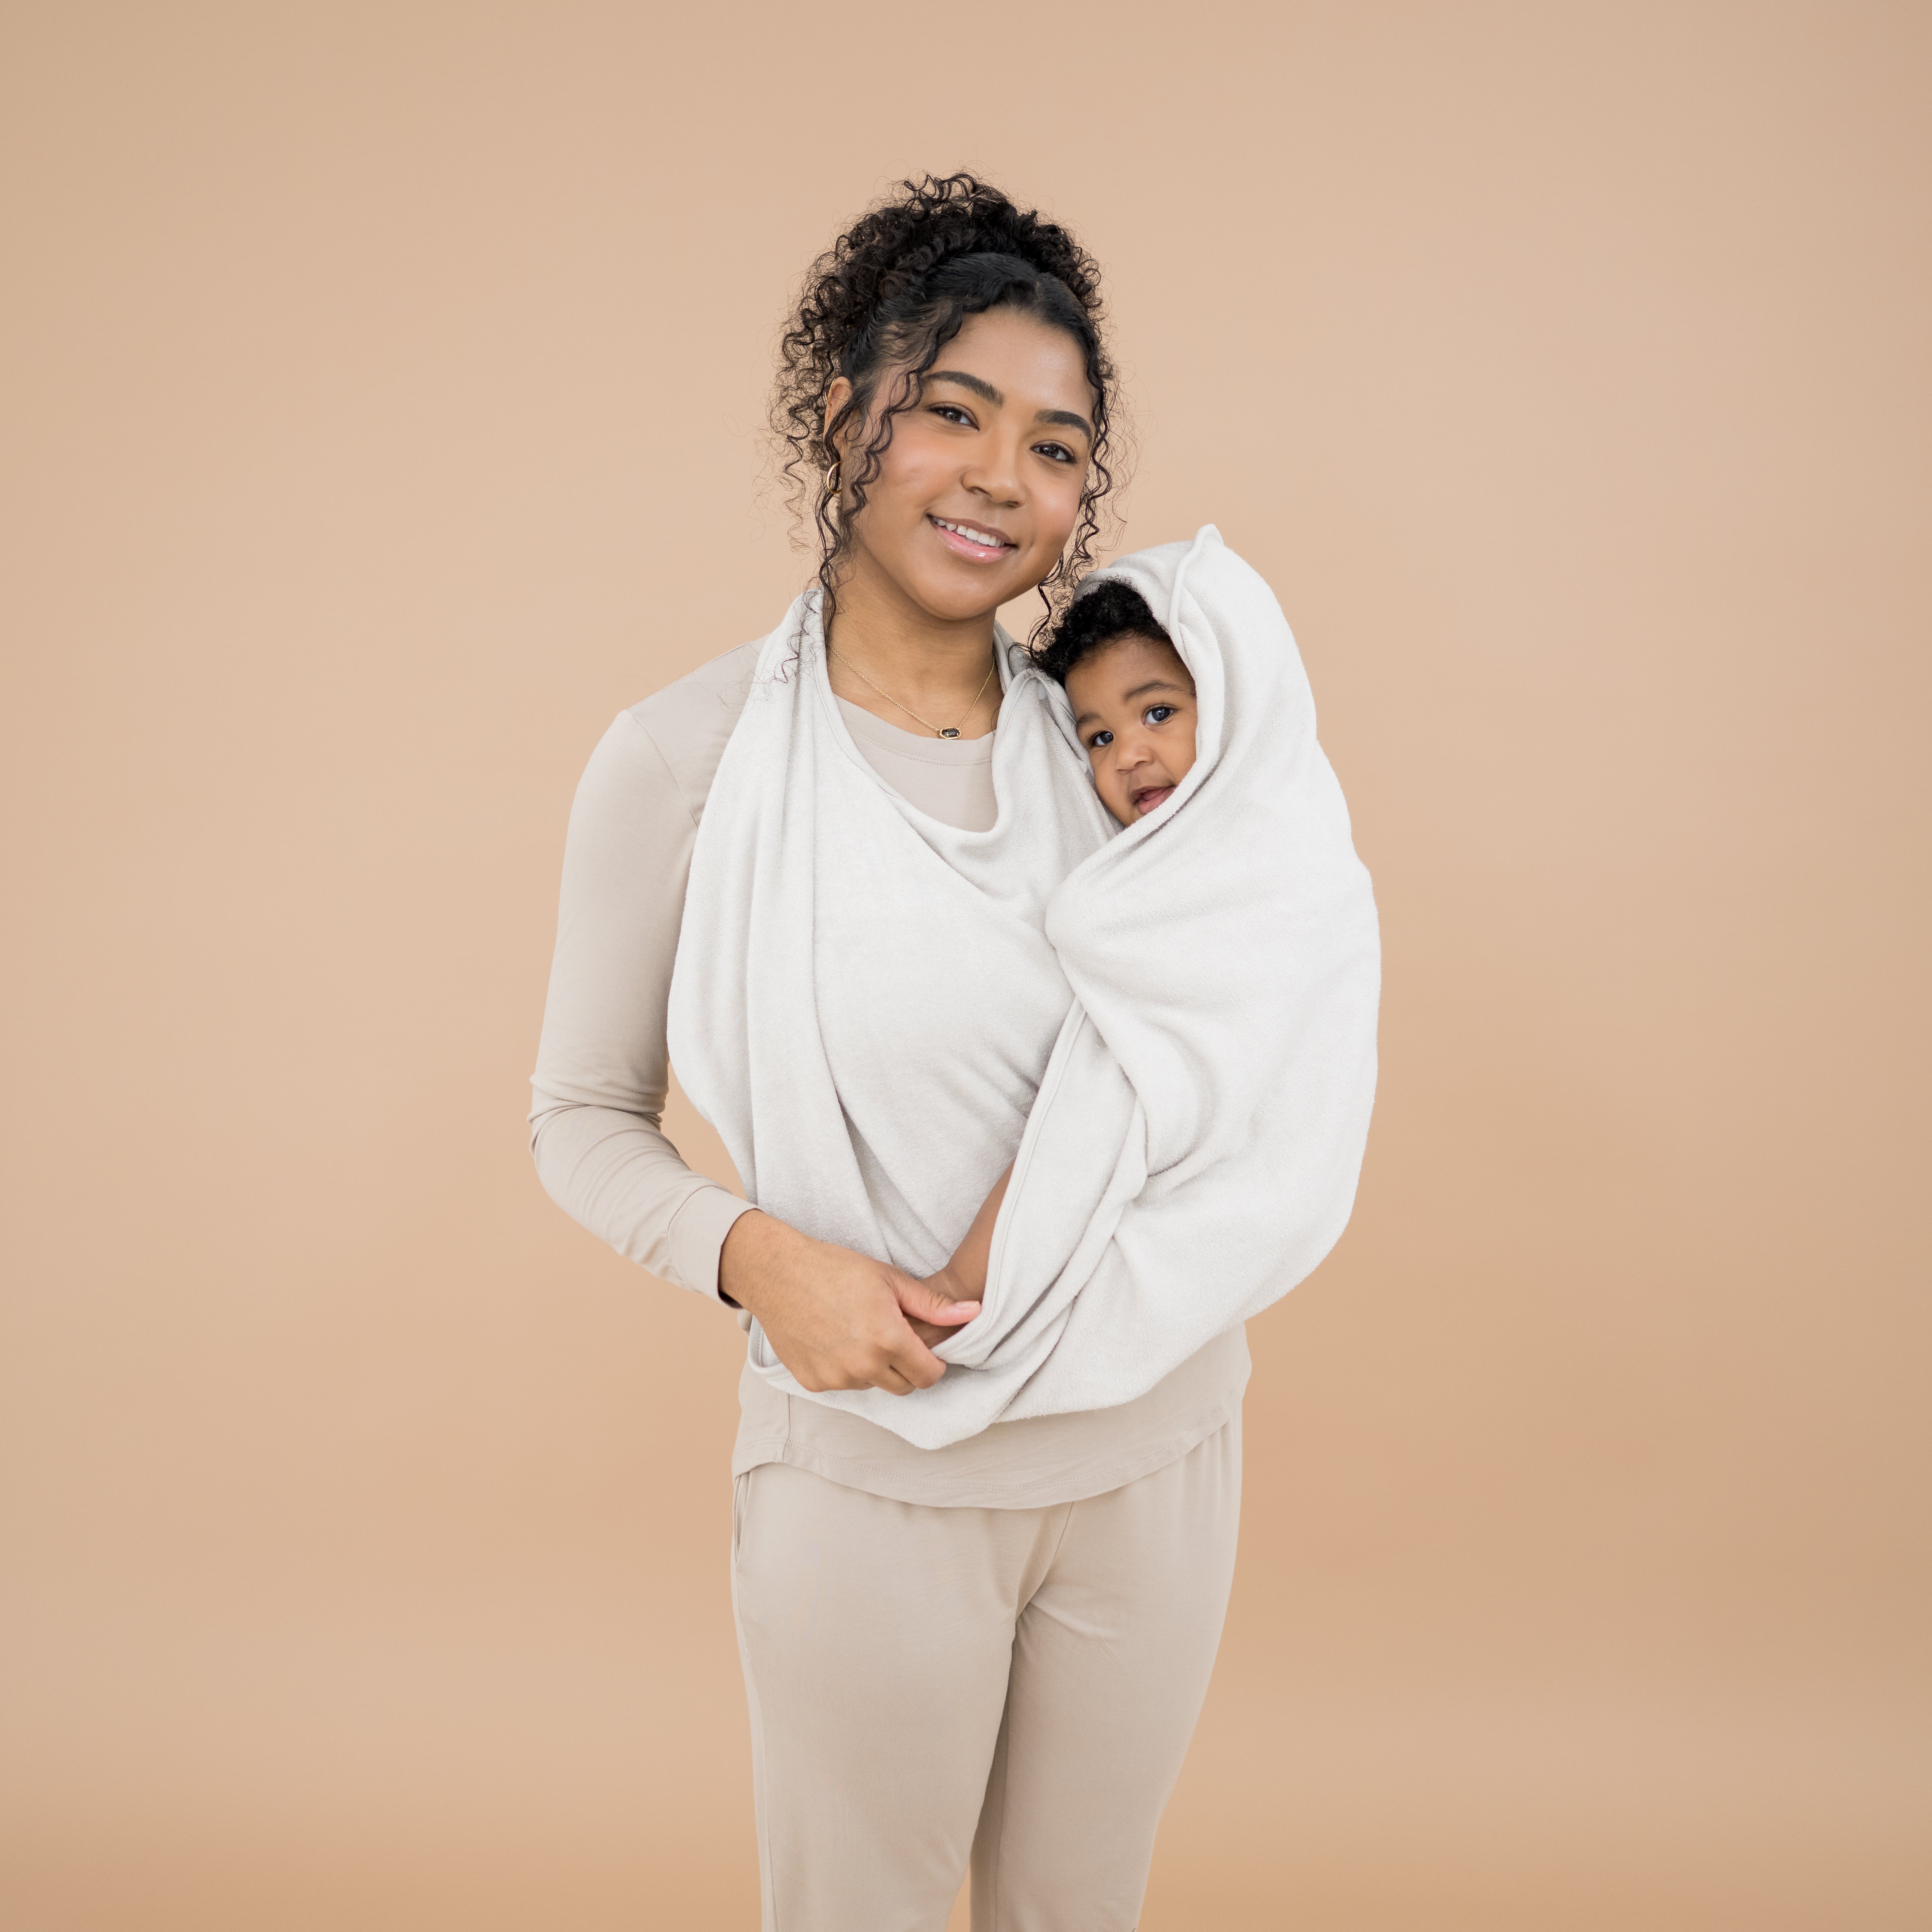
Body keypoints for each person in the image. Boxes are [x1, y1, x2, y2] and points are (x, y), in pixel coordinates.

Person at [530, 175, 1373, 1932]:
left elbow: (1235, 1015)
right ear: (844, 416)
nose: (1003, 477)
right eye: (950, 412)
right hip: (871, 1473)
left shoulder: (1127, 750)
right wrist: (761, 1261)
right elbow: (580, 1119)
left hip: (1152, 1455)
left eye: (1057, 447)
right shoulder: (682, 761)